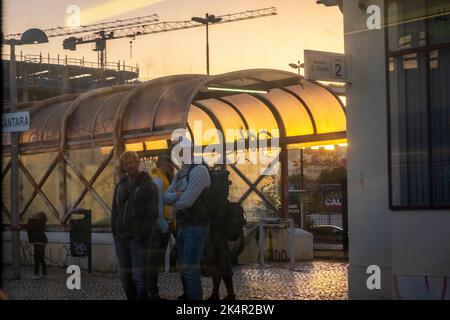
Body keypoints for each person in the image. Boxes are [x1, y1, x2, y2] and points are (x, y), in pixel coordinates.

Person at [111, 151, 159, 300]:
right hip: (121, 237)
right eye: (126, 164)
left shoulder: (148, 185)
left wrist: (142, 233)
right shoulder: (120, 186)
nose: (129, 166)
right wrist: (114, 230)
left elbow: (153, 212)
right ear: (123, 167)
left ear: (137, 163)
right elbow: (115, 210)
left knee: (139, 277)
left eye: (131, 162)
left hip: (138, 238)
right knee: (125, 277)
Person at [164, 150, 211, 300]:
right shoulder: (180, 174)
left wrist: (175, 197)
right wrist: (177, 196)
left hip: (197, 225)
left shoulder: (200, 170)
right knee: (184, 268)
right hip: (183, 226)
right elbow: (164, 197)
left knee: (190, 269)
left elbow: (186, 201)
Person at [148, 154, 178, 299]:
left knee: (156, 260)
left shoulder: (164, 178)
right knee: (155, 260)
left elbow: (166, 195)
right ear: (162, 165)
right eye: (169, 166)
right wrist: (163, 224)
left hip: (166, 222)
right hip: (161, 224)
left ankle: (153, 292)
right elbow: (161, 201)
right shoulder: (157, 179)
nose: (171, 168)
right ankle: (153, 293)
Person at [21, 212, 48, 279]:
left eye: (35, 215)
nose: (33, 215)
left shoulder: (35, 222)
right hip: (41, 241)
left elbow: (28, 226)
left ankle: (36, 274)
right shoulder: (41, 223)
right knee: (41, 258)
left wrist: (30, 219)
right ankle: (44, 273)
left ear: (38, 217)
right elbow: (28, 226)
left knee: (36, 258)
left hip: (38, 241)